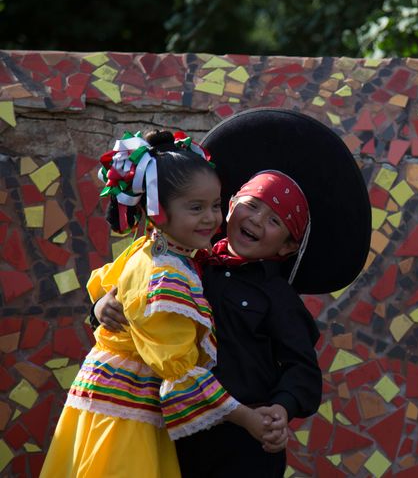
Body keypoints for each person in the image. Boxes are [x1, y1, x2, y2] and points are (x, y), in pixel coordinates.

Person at [94, 109, 373, 477]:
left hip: (244, 442)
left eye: (275, 220)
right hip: (173, 436)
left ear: (287, 247)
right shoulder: (180, 260)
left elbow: (302, 369)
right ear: (231, 203)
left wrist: (282, 408)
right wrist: (101, 305)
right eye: (252, 205)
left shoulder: (279, 298)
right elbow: (128, 295)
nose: (256, 220)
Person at [42, 130, 273, 478]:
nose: (211, 218)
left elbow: (106, 282)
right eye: (195, 208)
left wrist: (102, 303)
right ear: (156, 211)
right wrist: (248, 419)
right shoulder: (166, 275)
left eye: (215, 205)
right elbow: (178, 372)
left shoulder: (153, 249)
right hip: (124, 417)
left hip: (112, 404)